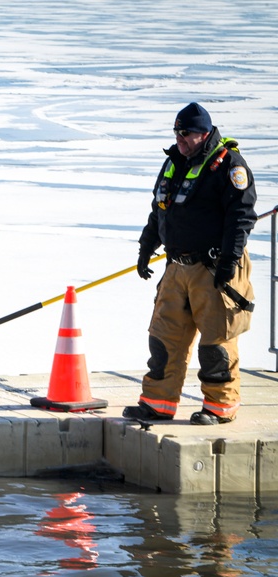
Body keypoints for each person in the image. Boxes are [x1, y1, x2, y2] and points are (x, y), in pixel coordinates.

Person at [123, 102, 257, 426]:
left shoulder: (229, 166)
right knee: (164, 337)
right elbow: (159, 210)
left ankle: (219, 406)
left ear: (203, 133)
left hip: (213, 269)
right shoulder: (173, 163)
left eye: (185, 134)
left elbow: (242, 216)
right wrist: (146, 248)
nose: (180, 140)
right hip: (176, 268)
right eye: (176, 133)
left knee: (216, 343)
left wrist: (229, 261)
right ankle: (158, 401)